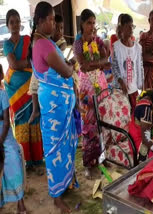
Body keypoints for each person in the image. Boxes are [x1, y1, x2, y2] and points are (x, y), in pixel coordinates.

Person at [30, 2, 78, 213]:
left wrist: (69, 65)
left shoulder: (43, 41)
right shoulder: (43, 44)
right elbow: (66, 73)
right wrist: (72, 65)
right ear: (40, 21)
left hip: (58, 105)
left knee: (62, 145)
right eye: (50, 19)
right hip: (54, 106)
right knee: (54, 148)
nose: (53, 23)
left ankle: (65, 182)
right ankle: (56, 195)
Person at [3, 9, 43, 171]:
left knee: (34, 119)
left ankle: (37, 160)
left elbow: (32, 60)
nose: (15, 25)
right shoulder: (7, 44)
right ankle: (25, 160)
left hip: (31, 87)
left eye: (17, 21)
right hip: (15, 89)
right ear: (7, 25)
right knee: (21, 121)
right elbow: (13, 65)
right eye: (12, 22)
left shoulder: (28, 39)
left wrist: (25, 63)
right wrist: (26, 62)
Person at [73, 9, 111, 179]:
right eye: (89, 23)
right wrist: (99, 63)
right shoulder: (78, 43)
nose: (92, 26)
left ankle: (102, 157)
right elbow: (82, 66)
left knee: (102, 122)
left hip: (100, 85)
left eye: (94, 23)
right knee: (89, 125)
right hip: (87, 89)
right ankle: (89, 163)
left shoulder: (99, 41)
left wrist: (94, 63)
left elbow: (106, 60)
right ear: (82, 24)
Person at [28, 14, 69, 124]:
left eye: (61, 28)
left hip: (54, 71)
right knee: (34, 84)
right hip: (46, 73)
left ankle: (76, 104)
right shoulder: (45, 41)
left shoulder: (61, 42)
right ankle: (35, 110)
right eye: (56, 26)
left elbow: (59, 55)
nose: (59, 31)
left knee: (74, 81)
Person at [0, 64, 26, 214]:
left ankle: (20, 202)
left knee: (13, 158)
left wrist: (1, 141)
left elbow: (6, 120)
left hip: (4, 132)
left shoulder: (2, 94)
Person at [112, 14, 144, 112]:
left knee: (134, 117)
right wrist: (121, 82)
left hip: (133, 90)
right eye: (128, 26)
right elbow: (115, 67)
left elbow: (140, 67)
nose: (131, 29)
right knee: (122, 117)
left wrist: (142, 85)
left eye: (132, 26)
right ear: (121, 28)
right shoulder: (116, 47)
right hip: (120, 91)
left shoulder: (138, 48)